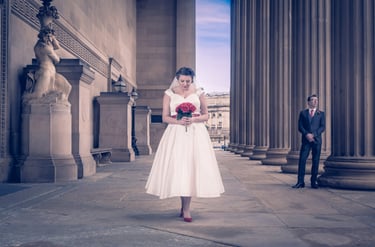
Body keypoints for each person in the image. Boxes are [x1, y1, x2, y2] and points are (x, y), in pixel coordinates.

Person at [145, 67, 225, 222]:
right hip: (176, 133)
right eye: (182, 81)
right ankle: (183, 207)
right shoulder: (169, 94)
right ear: (177, 79)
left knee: (191, 167)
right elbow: (165, 117)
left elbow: (206, 115)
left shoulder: (199, 92)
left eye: (188, 81)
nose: (185, 84)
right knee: (180, 168)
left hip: (196, 133)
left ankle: (186, 209)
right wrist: (179, 121)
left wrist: (193, 119)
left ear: (192, 80)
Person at [292, 94, 326, 189]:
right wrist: (307, 134)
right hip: (306, 140)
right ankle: (300, 182)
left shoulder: (321, 113)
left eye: (316, 100)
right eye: (313, 100)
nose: (315, 102)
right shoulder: (303, 113)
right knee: (302, 160)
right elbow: (300, 126)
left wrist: (313, 134)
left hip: (317, 140)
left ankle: (313, 182)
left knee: (316, 161)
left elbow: (322, 127)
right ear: (309, 102)